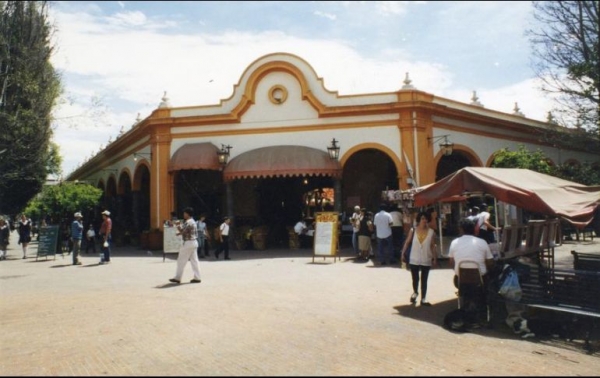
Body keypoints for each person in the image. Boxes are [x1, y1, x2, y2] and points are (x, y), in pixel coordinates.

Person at [402, 211, 437, 306]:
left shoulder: (431, 232)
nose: (424, 220)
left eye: (426, 219)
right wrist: (403, 253)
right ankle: (415, 292)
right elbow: (407, 242)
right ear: (419, 220)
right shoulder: (413, 230)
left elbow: (432, 245)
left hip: (426, 258)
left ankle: (423, 298)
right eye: (422, 218)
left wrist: (434, 258)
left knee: (424, 279)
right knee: (415, 278)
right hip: (414, 258)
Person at [448, 218, 494, 289]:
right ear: (473, 229)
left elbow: (451, 263)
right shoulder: (482, 242)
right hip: (480, 279)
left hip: (461, 280)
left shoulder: (454, 242)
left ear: (461, 229)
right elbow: (490, 262)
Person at [169, 207, 202, 284]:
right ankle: (197, 277)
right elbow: (187, 231)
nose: (184, 215)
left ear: (187, 214)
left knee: (181, 260)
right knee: (194, 261)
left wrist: (177, 225)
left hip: (188, 243)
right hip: (194, 242)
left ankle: (178, 277)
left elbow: (183, 231)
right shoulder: (193, 221)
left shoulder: (188, 222)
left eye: (184, 213)